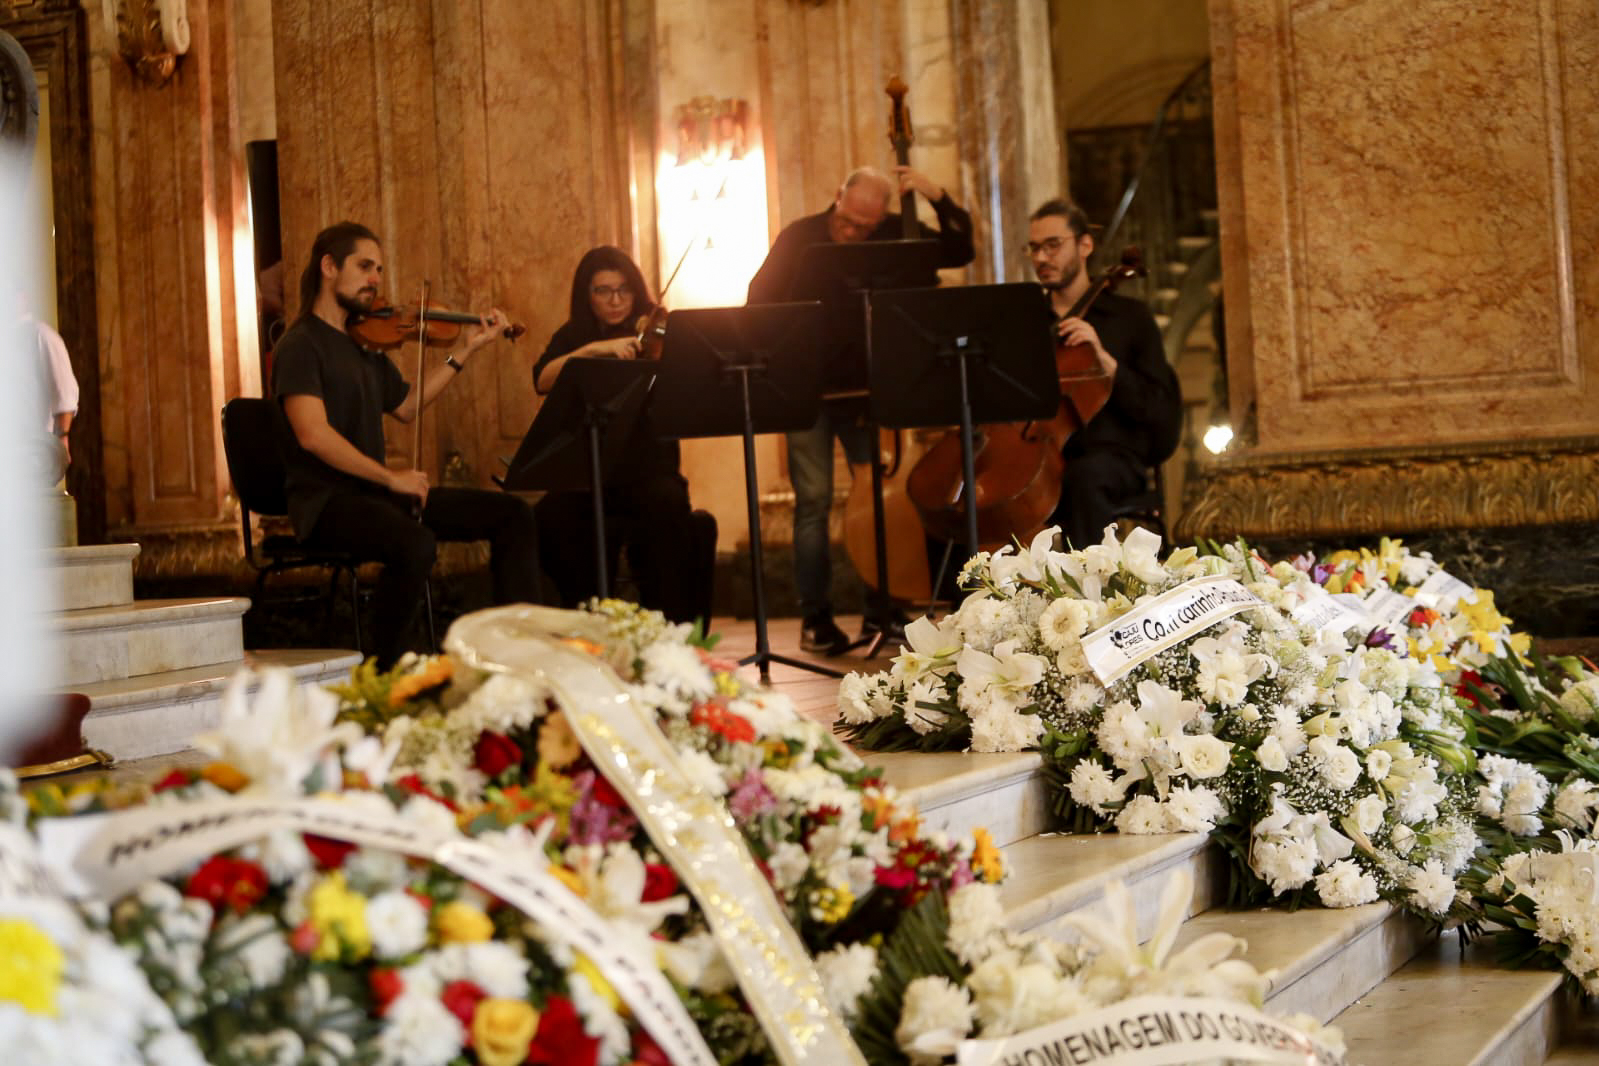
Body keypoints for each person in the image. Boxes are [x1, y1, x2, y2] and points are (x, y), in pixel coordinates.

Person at [272, 221, 540, 667]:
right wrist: (389, 477)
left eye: (378, 268)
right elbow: (312, 434)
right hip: (326, 505)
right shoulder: (300, 345)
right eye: (364, 266)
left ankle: (522, 653)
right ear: (328, 267)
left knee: (513, 514)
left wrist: (467, 349)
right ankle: (389, 670)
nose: (375, 278)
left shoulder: (365, 346)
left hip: (376, 497)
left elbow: (409, 405)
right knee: (414, 543)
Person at [747, 165, 974, 654]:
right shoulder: (799, 238)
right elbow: (758, 302)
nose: (855, 234)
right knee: (813, 501)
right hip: (808, 392)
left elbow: (960, 250)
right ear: (837, 197)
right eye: (849, 222)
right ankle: (816, 620)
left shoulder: (894, 233)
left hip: (869, 389)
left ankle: (882, 611)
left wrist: (937, 195)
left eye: (866, 227)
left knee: (882, 500)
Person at [531, 245, 712, 626]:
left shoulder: (660, 331)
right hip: (590, 473)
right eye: (602, 291)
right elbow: (543, 379)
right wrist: (598, 349)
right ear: (587, 295)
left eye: (624, 290)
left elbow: (690, 383)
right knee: (553, 514)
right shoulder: (574, 335)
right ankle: (587, 625)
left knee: (665, 504)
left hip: (648, 468)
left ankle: (666, 630)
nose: (615, 301)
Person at [1027, 199, 1182, 548]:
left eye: (1052, 245)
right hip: (1041, 455)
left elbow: (1159, 413)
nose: (1041, 258)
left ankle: (1089, 599)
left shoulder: (1131, 318)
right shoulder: (1028, 323)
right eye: (1034, 248)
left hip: (1113, 458)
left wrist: (1106, 363)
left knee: (1083, 477)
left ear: (1085, 245)